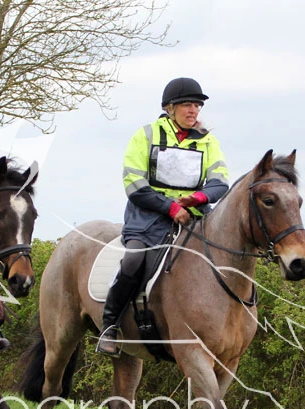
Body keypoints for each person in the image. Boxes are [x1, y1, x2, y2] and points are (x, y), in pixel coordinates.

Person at [96, 77, 230, 356]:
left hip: (193, 219)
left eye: (197, 105)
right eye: (187, 105)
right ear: (170, 108)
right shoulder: (146, 135)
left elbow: (220, 182)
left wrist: (198, 198)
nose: (193, 110)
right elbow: (134, 183)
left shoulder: (209, 142)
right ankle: (110, 325)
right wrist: (170, 207)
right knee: (133, 261)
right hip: (148, 218)